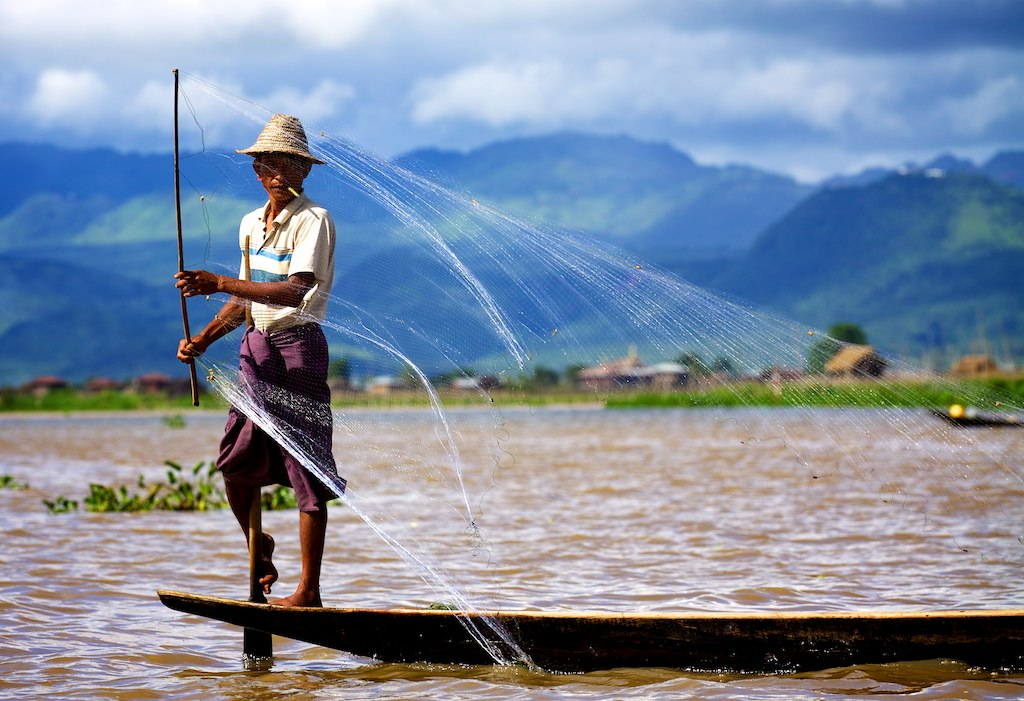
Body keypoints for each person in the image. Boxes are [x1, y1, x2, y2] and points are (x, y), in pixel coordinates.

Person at [175, 114, 343, 607]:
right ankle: (259, 549)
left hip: (297, 349)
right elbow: (246, 300)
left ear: (304, 172)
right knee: (234, 463)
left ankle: (308, 591)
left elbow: (293, 292)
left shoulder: (314, 221)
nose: (278, 176)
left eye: (289, 167)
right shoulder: (250, 223)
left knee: (306, 468)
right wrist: (203, 339)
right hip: (257, 349)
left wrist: (220, 282)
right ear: (257, 171)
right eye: (269, 166)